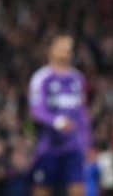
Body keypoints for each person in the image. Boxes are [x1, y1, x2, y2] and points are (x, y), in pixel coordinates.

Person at [29, 34, 92, 196]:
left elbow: (82, 113)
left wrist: (86, 143)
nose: (67, 51)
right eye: (62, 47)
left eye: (69, 48)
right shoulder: (41, 78)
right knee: (43, 190)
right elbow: (37, 111)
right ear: (51, 50)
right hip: (49, 146)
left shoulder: (78, 78)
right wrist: (57, 122)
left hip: (73, 147)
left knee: (78, 190)